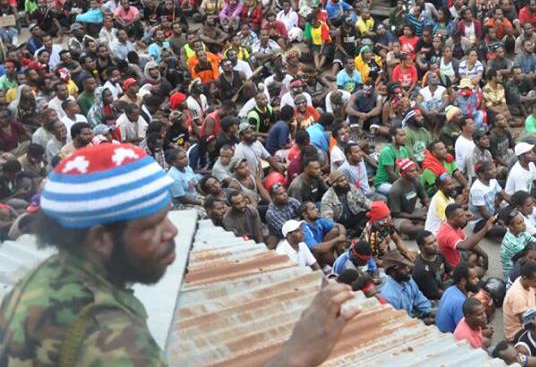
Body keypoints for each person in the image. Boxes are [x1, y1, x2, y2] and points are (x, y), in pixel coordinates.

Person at [0, 143, 357, 366]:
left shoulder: (51, 277)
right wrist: (297, 355)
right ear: (99, 239)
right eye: (151, 226)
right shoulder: (108, 337)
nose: (172, 232)